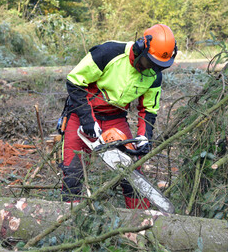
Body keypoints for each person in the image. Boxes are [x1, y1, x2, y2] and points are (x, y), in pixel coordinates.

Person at [58, 24, 177, 209]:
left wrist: (145, 137)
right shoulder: (109, 53)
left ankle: (139, 224)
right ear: (140, 49)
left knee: (131, 175)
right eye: (148, 63)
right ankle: (68, 219)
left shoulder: (154, 75)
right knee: (73, 172)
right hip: (82, 112)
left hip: (115, 117)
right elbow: (74, 81)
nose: (150, 69)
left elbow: (149, 109)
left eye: (157, 66)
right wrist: (87, 120)